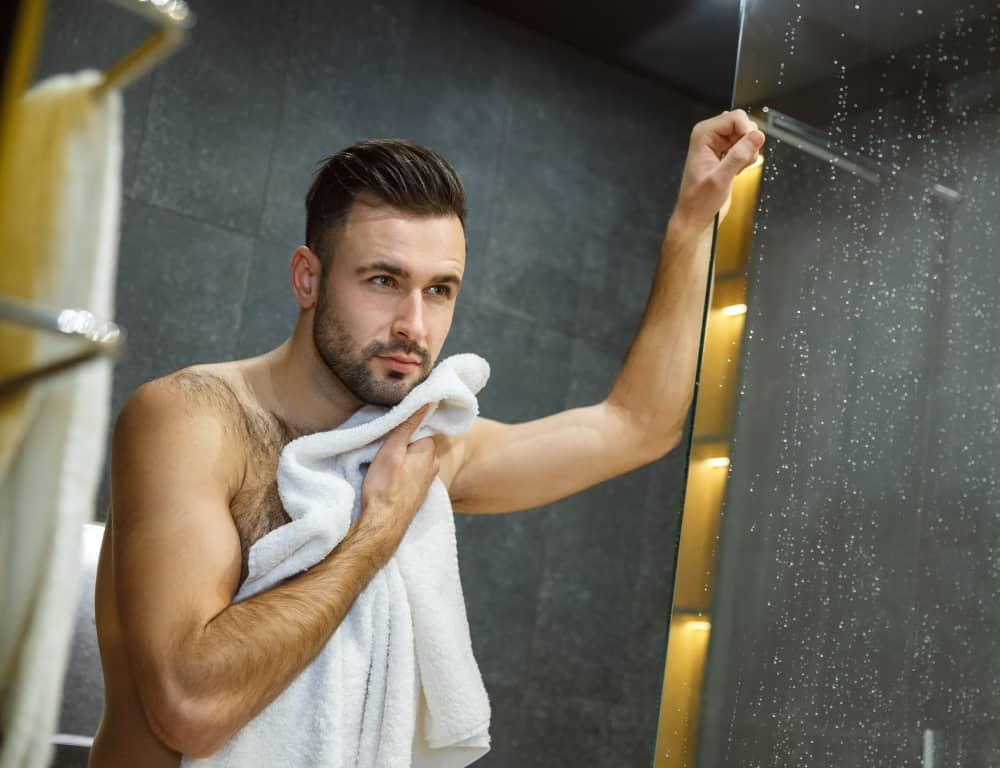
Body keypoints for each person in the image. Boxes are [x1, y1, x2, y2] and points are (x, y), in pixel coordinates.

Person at [89, 109, 764, 766]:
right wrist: (377, 530)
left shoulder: (419, 445)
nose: (414, 325)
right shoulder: (193, 419)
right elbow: (191, 707)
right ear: (308, 277)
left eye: (440, 290)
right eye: (384, 281)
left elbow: (637, 426)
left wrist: (691, 222)